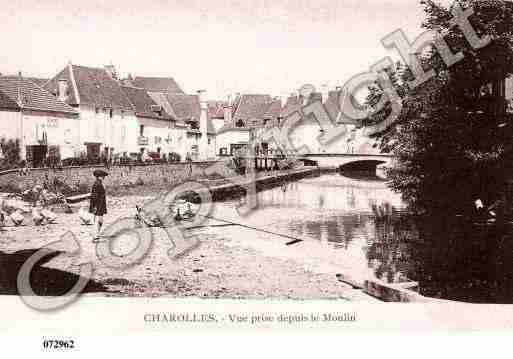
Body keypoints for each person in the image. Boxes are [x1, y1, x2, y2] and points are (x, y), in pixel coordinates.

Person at [89, 169, 108, 241]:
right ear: (98, 176)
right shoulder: (97, 184)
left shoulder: (99, 183)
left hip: (100, 205)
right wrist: (94, 207)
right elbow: (94, 196)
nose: (104, 177)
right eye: (102, 176)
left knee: (100, 220)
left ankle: (96, 234)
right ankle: (95, 236)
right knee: (98, 221)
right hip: (98, 205)